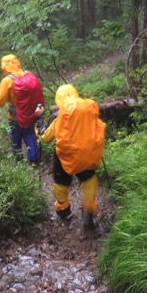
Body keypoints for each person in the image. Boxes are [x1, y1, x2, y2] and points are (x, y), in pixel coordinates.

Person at [36, 84, 105, 231]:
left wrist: (39, 120)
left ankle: (63, 211)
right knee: (88, 180)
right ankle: (88, 208)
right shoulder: (89, 111)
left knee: (61, 182)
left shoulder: (58, 116)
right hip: (88, 155)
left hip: (65, 157)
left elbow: (44, 136)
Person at [0, 54, 44, 165]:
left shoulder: (7, 81)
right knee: (30, 135)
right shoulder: (29, 75)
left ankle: (18, 161)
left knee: (15, 138)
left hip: (15, 117)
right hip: (31, 114)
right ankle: (34, 160)